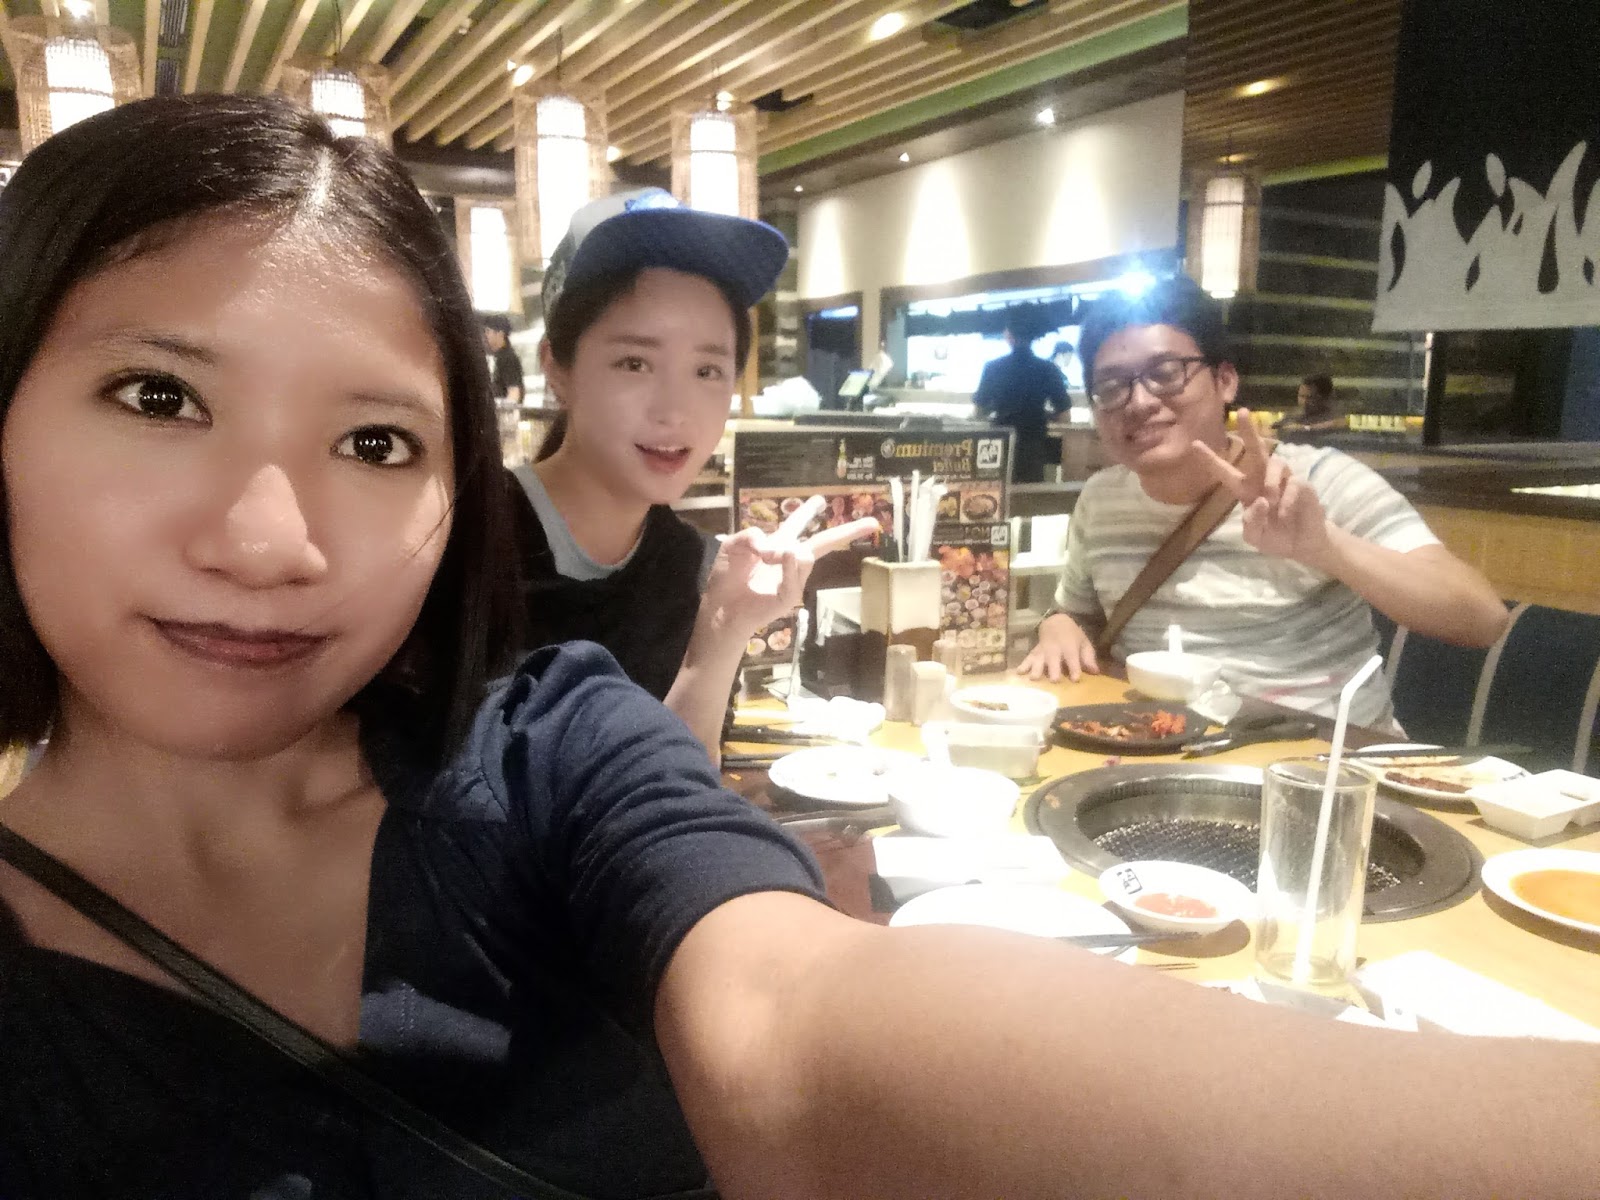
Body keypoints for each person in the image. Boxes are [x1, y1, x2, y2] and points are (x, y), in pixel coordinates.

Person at [0, 95, 1593, 1200]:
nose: (270, 541)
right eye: (159, 397)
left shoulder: (545, 739)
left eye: (373, 442)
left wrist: (721, 633)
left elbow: (802, 1035)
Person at [1019, 277, 1508, 728]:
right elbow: (1076, 612)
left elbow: (1483, 618)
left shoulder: (1316, 481)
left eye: (1166, 373)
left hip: (1323, 769)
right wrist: (1058, 624)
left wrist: (1325, 547)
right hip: (1159, 751)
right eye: (1111, 386)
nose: (1140, 401)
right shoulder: (1102, 499)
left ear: (1225, 381)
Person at [507, 188, 876, 750]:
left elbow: (680, 789)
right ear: (558, 367)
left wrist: (721, 636)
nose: (675, 411)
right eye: (635, 362)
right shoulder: (460, 542)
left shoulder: (695, 570)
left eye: (707, 371)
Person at [971, 308, 1069, 484]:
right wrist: (1047, 416)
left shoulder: (993, 367)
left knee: (997, 491)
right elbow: (1065, 415)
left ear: (1008, 334)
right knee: (1029, 494)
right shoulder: (1048, 369)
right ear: (1034, 336)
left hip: (998, 443)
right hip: (1033, 444)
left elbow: (978, 411)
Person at [1275, 373, 1345, 434]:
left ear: (1324, 398)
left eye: (1310, 397)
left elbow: (1339, 423)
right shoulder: (1294, 415)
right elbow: (1276, 427)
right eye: (1301, 396)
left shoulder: (1333, 414)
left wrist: (1305, 428)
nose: (1304, 402)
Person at [482, 312, 524, 405]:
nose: (485, 335)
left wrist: (503, 408)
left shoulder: (508, 358)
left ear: (500, 334)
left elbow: (514, 392)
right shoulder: (498, 357)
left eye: (488, 331)